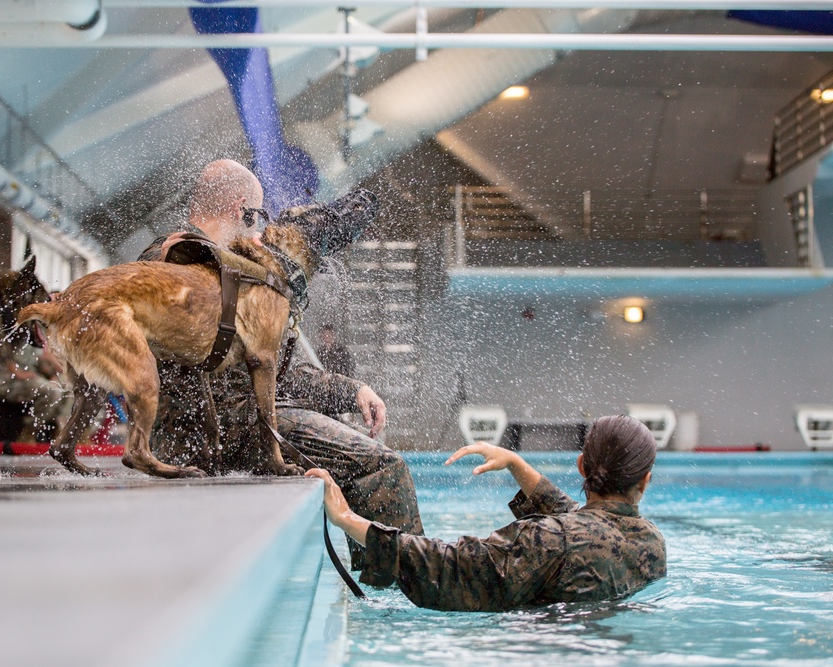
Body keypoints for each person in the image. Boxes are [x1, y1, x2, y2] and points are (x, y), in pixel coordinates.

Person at [138, 159, 424, 567]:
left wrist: (350, 390)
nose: (258, 232)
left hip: (191, 432)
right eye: (256, 218)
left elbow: (269, 372)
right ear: (240, 210)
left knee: (348, 442)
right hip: (225, 431)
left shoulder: (169, 254)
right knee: (381, 467)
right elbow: (245, 377)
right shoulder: (199, 262)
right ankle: (404, 584)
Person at [307, 415, 666, 611]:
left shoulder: (547, 540)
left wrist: (347, 519)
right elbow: (584, 524)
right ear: (646, 481)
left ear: (581, 466)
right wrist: (515, 464)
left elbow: (449, 566)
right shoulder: (651, 544)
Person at [0, 329, 72, 443]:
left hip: (29, 377)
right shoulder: (10, 326)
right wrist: (18, 373)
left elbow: (41, 359)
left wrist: (54, 373)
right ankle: (29, 431)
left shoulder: (34, 330)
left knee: (69, 389)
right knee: (52, 391)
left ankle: (62, 430)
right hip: (5, 381)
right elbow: (1, 353)